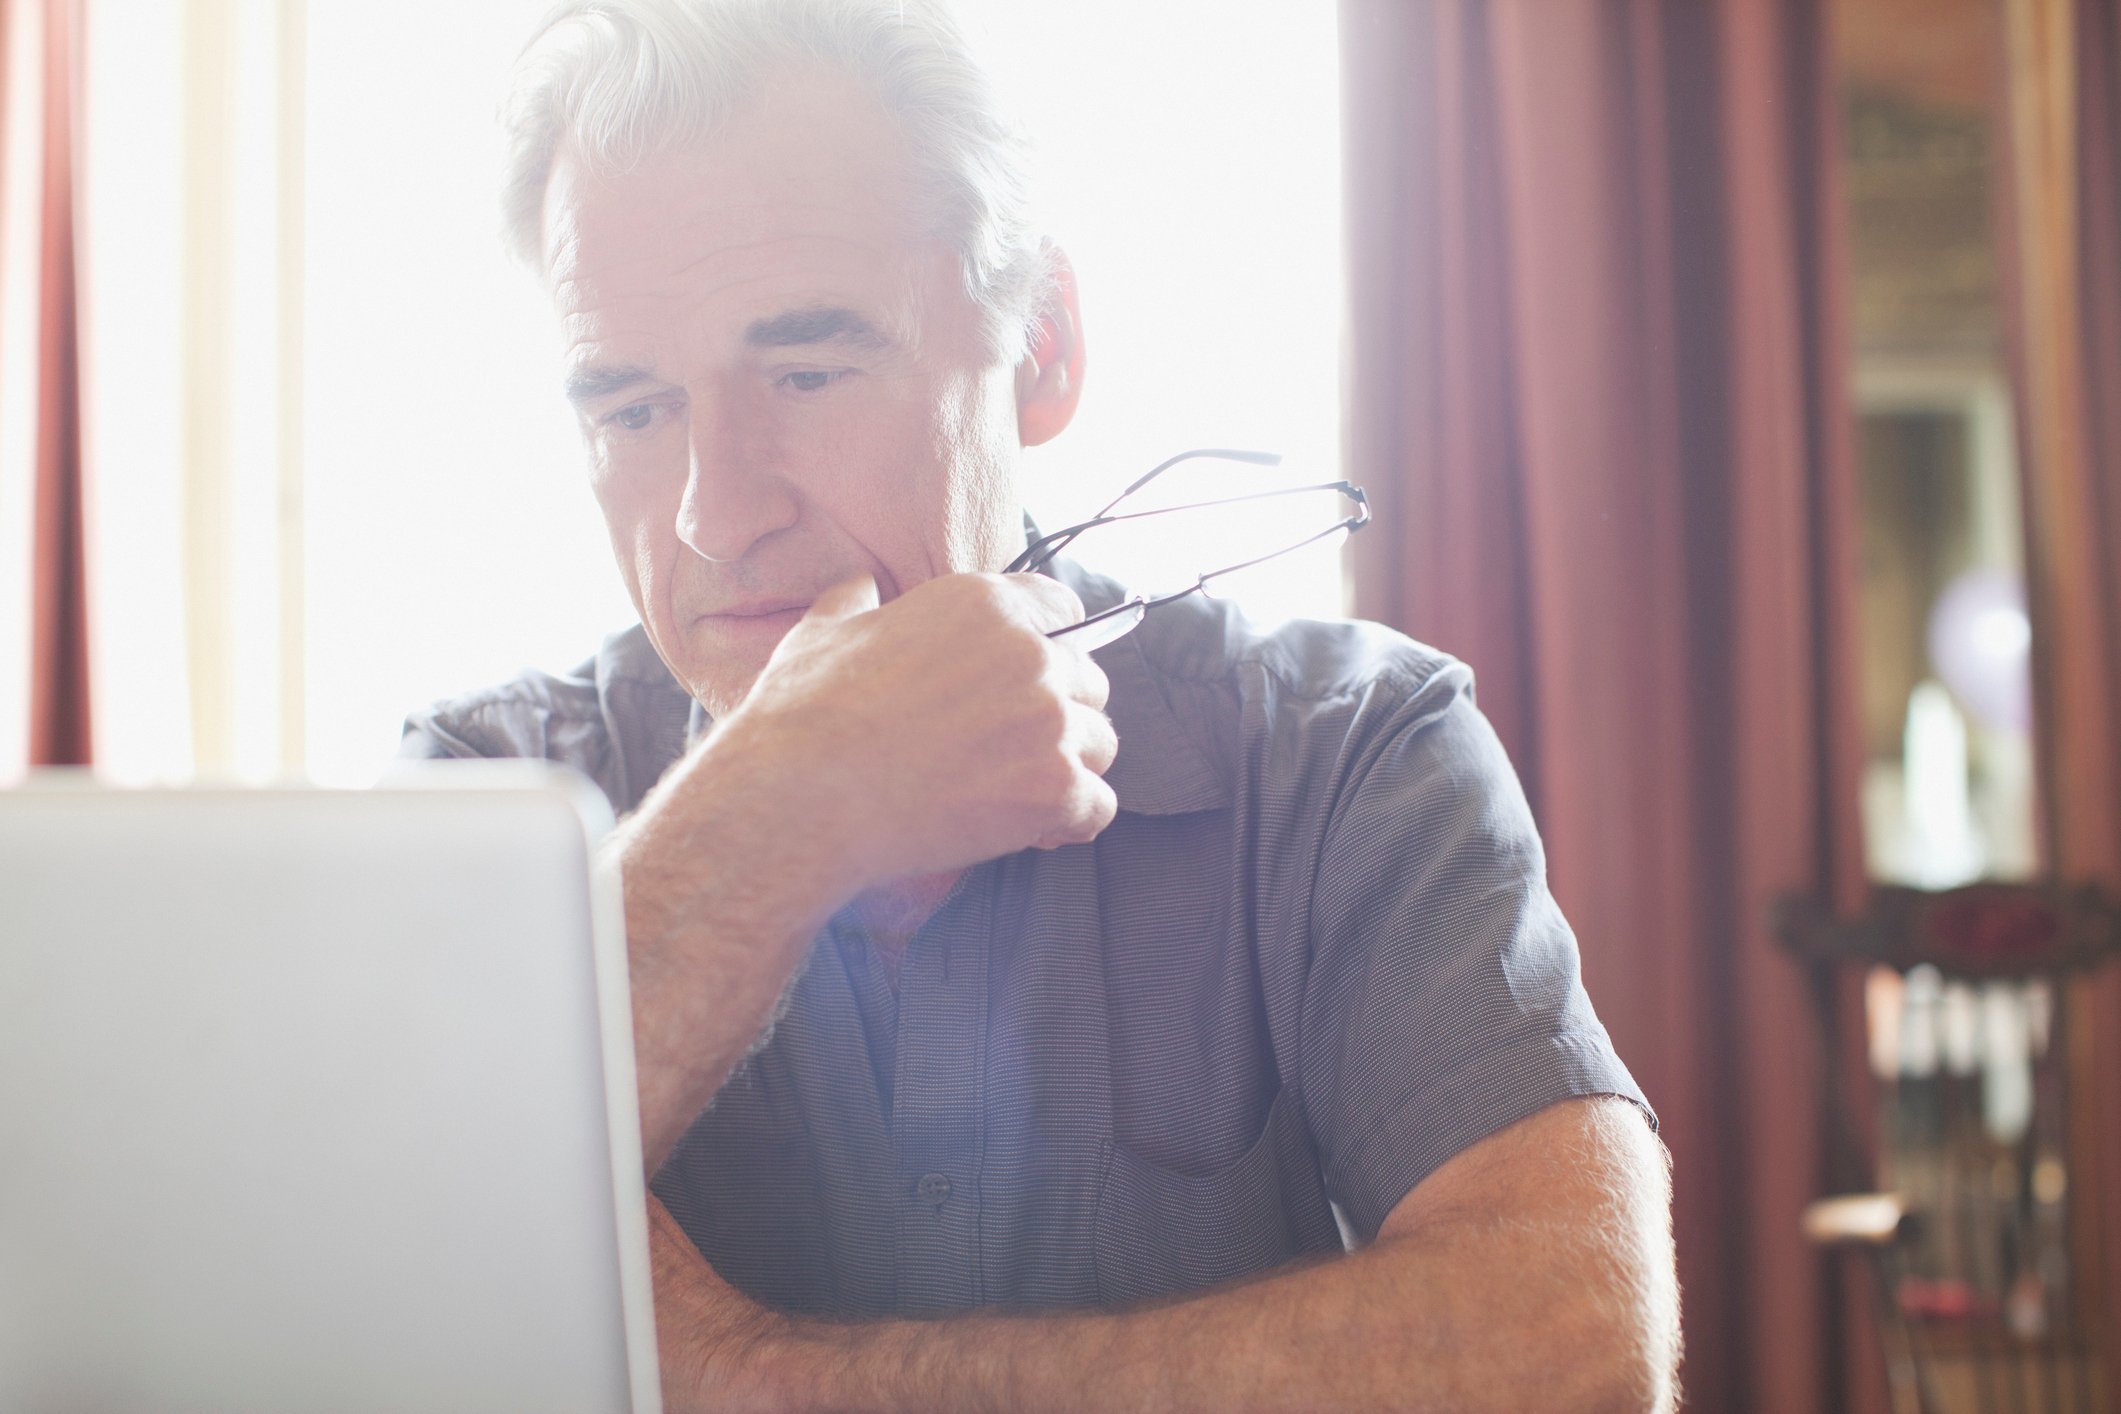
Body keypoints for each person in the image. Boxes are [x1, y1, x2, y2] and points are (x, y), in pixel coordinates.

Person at [404, 1, 1681, 1408]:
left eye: (806, 370)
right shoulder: (491, 787)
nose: (714, 514)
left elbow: (1572, 1348)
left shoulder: (1344, 758)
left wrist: (756, 1381)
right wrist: (785, 804)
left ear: (1042, 348)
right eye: (632, 408)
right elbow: (361, 1275)